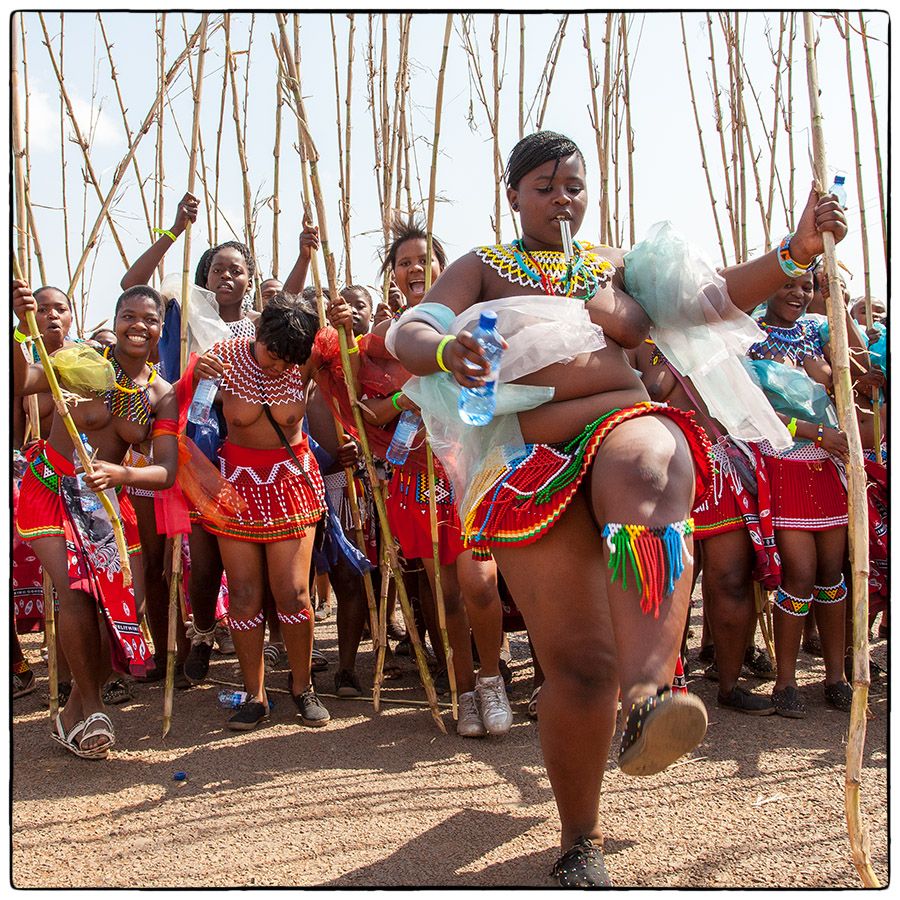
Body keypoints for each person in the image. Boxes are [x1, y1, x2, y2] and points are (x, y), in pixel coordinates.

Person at [388, 130, 848, 885]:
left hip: (621, 423)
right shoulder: (481, 266)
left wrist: (793, 250)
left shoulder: (615, 265)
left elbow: (714, 299)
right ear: (512, 195)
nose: (563, 198)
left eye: (574, 185)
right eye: (544, 186)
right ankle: (582, 841)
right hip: (530, 467)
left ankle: (651, 695)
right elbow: (413, 326)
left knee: (649, 463)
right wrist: (444, 351)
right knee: (578, 666)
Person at [120, 194, 321, 684]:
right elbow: (132, 286)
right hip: (195, 446)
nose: (226, 277)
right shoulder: (183, 313)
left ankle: (286, 663)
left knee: (281, 574)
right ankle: (202, 639)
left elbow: (291, 314)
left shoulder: (260, 330)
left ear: (252, 281)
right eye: (216, 270)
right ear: (203, 277)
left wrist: (304, 257)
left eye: (237, 270)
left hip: (264, 459)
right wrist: (175, 230)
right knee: (203, 560)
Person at [328, 221, 514, 739]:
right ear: (393, 274)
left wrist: (399, 401)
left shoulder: (469, 316)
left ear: (442, 267)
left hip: (469, 465)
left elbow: (478, 383)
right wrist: (341, 327)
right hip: (416, 478)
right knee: (444, 594)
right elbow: (349, 370)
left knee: (481, 584)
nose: (415, 269)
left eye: (424, 260)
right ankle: (464, 691)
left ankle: (493, 678)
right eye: (404, 261)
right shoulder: (387, 333)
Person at [13, 281, 179, 759]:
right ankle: (90, 706)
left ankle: (70, 720)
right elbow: (21, 382)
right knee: (77, 591)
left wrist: (123, 471)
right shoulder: (80, 363)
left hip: (107, 503)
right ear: (116, 317)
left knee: (127, 609)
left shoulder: (161, 394)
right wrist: (19, 326)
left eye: (149, 320)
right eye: (129, 316)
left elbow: (166, 471)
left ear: (160, 328)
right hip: (50, 488)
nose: (138, 326)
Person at [191, 292, 329, 730]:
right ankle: (255, 695)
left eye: (286, 361)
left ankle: (303, 687)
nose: (276, 367)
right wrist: (197, 372)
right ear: (259, 334)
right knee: (246, 596)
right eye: (271, 355)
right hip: (237, 492)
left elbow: (355, 363)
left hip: (290, 486)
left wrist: (343, 322)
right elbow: (185, 397)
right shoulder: (225, 355)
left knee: (293, 592)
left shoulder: (303, 360)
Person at [630, 338, 777, 715]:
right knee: (666, 583)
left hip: (717, 469)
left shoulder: (706, 332)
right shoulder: (627, 338)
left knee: (729, 579)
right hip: (662, 467)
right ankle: (664, 689)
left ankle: (729, 684)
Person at [745, 270, 853, 717]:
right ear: (766, 285)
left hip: (827, 464)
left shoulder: (817, 330)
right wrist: (809, 429)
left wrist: (834, 301)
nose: (797, 293)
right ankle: (785, 681)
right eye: (788, 284)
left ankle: (836, 676)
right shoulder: (749, 335)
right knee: (801, 574)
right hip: (783, 460)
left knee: (833, 572)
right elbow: (752, 407)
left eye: (806, 288)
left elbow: (852, 369)